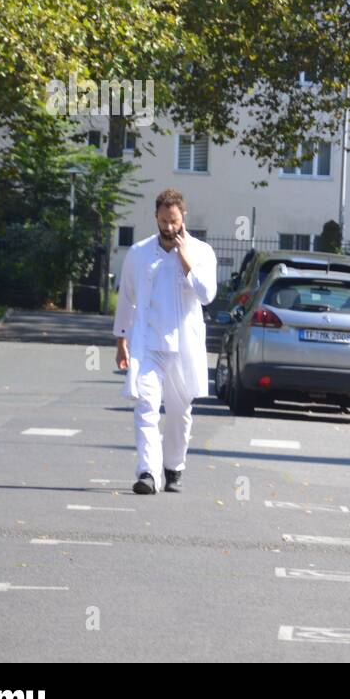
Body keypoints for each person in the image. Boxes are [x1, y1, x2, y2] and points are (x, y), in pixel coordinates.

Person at [113, 189, 217, 495]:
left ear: (183, 216)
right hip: (148, 347)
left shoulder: (201, 252)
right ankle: (148, 472)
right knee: (145, 407)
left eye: (173, 220)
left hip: (183, 350)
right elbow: (127, 298)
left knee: (179, 413)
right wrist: (121, 338)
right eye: (162, 220)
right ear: (155, 217)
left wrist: (186, 263)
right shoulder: (139, 253)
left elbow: (207, 295)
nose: (168, 227)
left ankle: (173, 467)